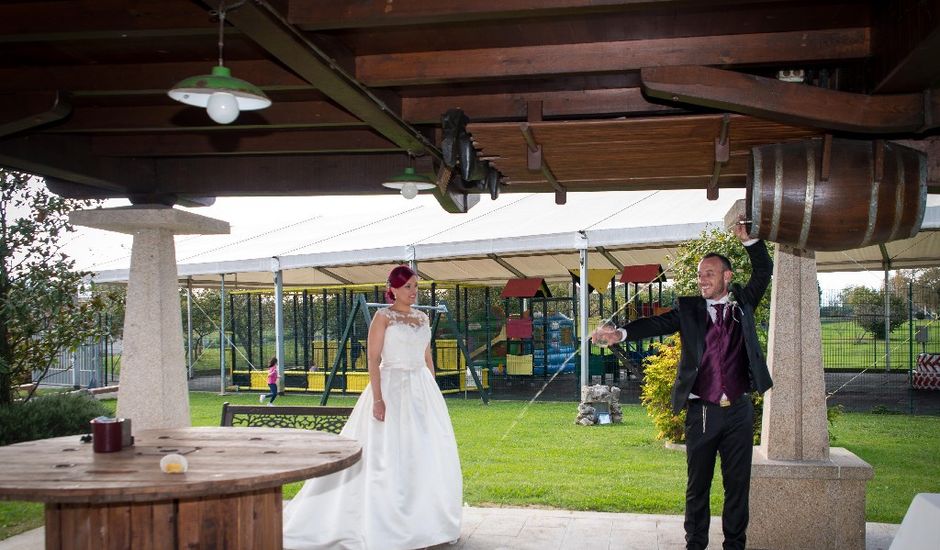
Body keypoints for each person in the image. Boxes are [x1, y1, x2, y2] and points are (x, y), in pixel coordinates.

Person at [592, 219, 773, 550]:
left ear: (727, 277)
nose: (702, 279)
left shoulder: (742, 304)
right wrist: (621, 332)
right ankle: (695, 545)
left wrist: (752, 242)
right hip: (702, 412)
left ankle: (735, 545)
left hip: (739, 413)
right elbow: (657, 322)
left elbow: (763, 270)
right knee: (698, 486)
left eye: (710, 273)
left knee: (737, 486)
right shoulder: (690, 309)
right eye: (700, 274)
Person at [283, 265, 462, 550]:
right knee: (385, 455)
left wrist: (434, 387)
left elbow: (427, 355)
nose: (413, 292)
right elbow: (373, 360)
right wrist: (378, 399)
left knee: (425, 452)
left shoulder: (423, 317)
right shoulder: (383, 317)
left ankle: (426, 521)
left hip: (422, 391)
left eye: (416, 286)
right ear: (392, 289)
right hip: (391, 388)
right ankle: (385, 521)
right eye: (408, 287)